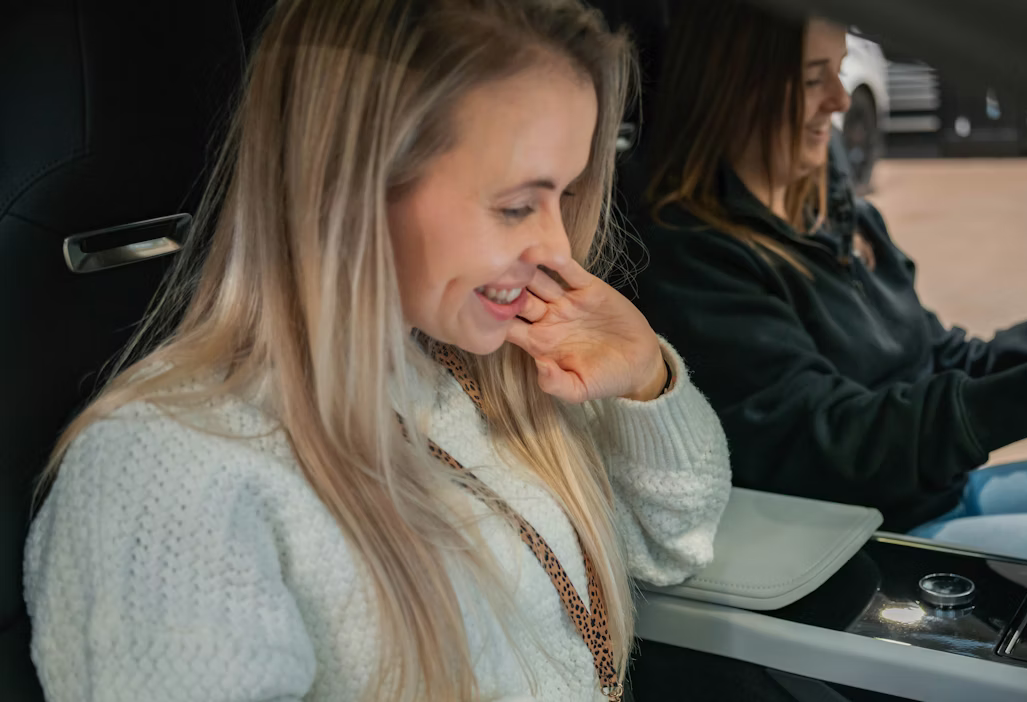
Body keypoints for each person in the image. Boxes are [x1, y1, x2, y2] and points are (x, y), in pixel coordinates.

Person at [23, 1, 732, 700]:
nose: (557, 247)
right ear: (354, 187)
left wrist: (646, 379)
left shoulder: (480, 373)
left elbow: (676, 544)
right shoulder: (166, 476)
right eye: (518, 204)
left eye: (567, 195)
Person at [631, 0, 1027, 577]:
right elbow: (826, 440)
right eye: (814, 78)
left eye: (838, 70)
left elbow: (942, 358)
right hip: (882, 539)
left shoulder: (823, 195)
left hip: (946, 484)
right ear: (733, 86)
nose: (840, 99)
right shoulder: (693, 252)